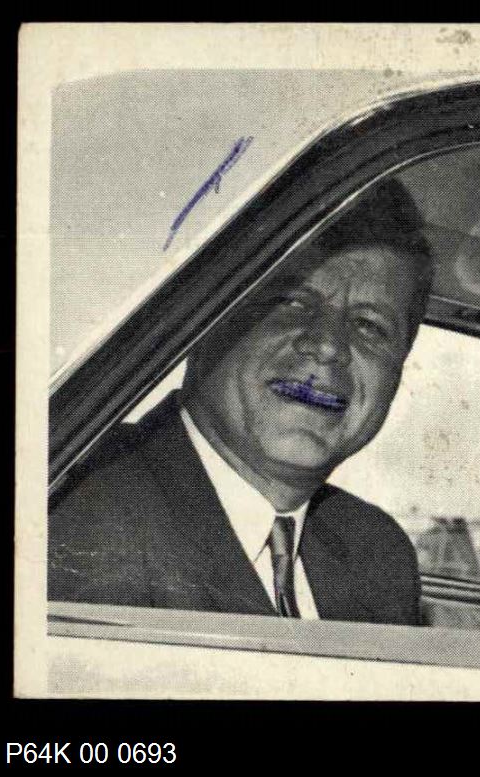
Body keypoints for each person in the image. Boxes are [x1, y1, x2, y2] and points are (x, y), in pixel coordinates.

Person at [49, 179, 433, 626]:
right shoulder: (74, 504)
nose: (328, 346)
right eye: (291, 302)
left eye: (369, 326)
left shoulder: (378, 554)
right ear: (201, 322)